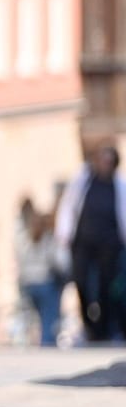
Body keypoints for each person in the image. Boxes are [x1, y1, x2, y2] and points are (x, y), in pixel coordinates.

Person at [55, 146, 126, 343]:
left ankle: (102, 329)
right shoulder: (84, 181)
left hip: (110, 243)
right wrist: (63, 235)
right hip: (83, 242)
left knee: (106, 286)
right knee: (80, 281)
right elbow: (68, 206)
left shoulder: (119, 186)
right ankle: (88, 323)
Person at [16, 196, 66, 348]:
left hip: (27, 283)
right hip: (44, 282)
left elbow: (19, 261)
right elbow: (59, 262)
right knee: (48, 318)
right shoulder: (48, 240)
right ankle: (46, 345)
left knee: (30, 317)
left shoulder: (23, 239)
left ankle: (28, 342)